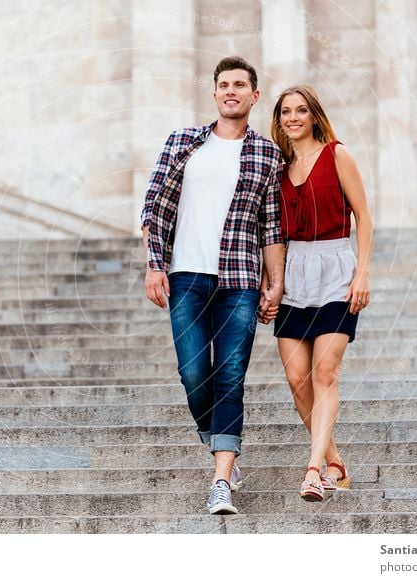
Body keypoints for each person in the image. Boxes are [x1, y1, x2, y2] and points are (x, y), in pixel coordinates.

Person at [141, 56, 286, 515]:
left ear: (254, 96)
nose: (231, 91)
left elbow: (272, 225)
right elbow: (155, 203)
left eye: (240, 85)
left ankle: (222, 476)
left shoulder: (267, 154)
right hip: (185, 275)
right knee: (192, 372)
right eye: (224, 84)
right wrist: (154, 264)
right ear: (214, 93)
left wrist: (275, 282)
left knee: (230, 373)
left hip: (240, 280)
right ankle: (218, 441)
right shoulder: (183, 142)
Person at [259, 85, 373, 502]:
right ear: (279, 119)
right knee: (296, 378)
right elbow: (271, 232)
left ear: (313, 115)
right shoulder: (277, 168)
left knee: (325, 373)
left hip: (336, 271)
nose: (293, 118)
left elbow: (363, 215)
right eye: (286, 111)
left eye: (300, 110)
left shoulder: (337, 154)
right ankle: (335, 460)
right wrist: (270, 283)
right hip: (293, 274)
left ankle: (312, 470)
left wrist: (362, 274)